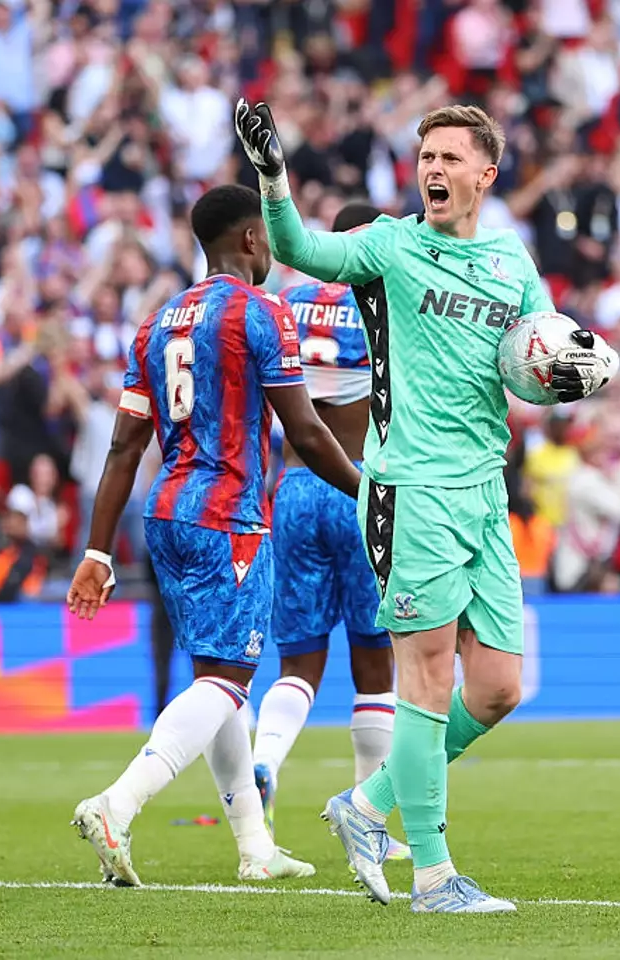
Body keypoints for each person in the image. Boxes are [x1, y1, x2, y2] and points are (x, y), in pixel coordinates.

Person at [236, 99, 615, 912]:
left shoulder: (515, 262)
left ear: (487, 173)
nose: (433, 170)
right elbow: (300, 248)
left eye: (450, 158)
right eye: (426, 157)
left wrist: (564, 379)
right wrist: (274, 180)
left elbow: (532, 366)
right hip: (410, 488)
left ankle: (368, 804)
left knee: (499, 689)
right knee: (428, 679)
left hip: (483, 491)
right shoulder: (393, 246)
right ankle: (435, 877)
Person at [65, 184, 363, 887]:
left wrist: (97, 551)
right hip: (228, 515)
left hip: (164, 513)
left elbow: (121, 449)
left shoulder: (157, 320)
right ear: (254, 240)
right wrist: (373, 493)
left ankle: (254, 845)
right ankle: (118, 802)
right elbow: (310, 434)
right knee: (230, 680)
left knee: (217, 676)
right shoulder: (260, 313)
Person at [249, 201, 409, 860]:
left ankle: (265, 763)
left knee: (299, 664)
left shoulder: (289, 298)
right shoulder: (383, 298)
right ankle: (367, 818)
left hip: (295, 489)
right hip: (360, 485)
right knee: (375, 665)